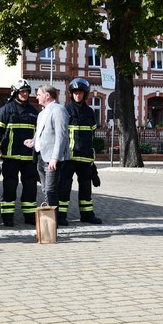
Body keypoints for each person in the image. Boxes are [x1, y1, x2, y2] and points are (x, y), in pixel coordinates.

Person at [58, 78, 103, 225]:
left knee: (85, 187)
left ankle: (87, 215)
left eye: (81, 93)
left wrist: (93, 164)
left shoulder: (90, 112)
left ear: (85, 94)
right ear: (71, 94)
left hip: (85, 158)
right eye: (75, 93)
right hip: (69, 157)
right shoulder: (65, 110)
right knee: (64, 187)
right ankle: (61, 215)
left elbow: (92, 136)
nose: (78, 95)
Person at [24, 84, 70, 225]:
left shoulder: (59, 110)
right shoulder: (42, 113)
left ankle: (52, 225)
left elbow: (61, 136)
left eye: (38, 94)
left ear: (47, 95)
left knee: (50, 191)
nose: (36, 97)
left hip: (51, 158)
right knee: (45, 189)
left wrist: (55, 158)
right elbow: (41, 133)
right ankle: (51, 223)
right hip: (40, 157)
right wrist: (33, 141)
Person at [0, 79, 39, 226]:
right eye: (22, 91)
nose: (25, 94)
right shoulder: (6, 110)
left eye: (27, 91)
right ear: (15, 92)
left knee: (30, 187)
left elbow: (38, 134)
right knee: (9, 186)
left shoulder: (33, 112)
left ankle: (29, 216)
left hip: (28, 157)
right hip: (10, 156)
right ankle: (7, 217)